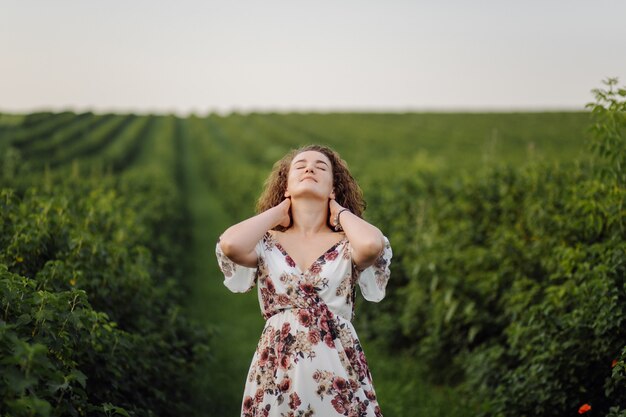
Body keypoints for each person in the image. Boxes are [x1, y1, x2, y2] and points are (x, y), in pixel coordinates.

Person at [215, 144, 392, 417]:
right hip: (278, 363)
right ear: (286, 186)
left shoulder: (348, 243)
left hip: (336, 365)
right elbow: (229, 244)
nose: (310, 168)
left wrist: (341, 213)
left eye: (321, 167)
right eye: (300, 166)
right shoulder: (267, 243)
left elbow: (371, 245)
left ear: (333, 189)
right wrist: (278, 211)